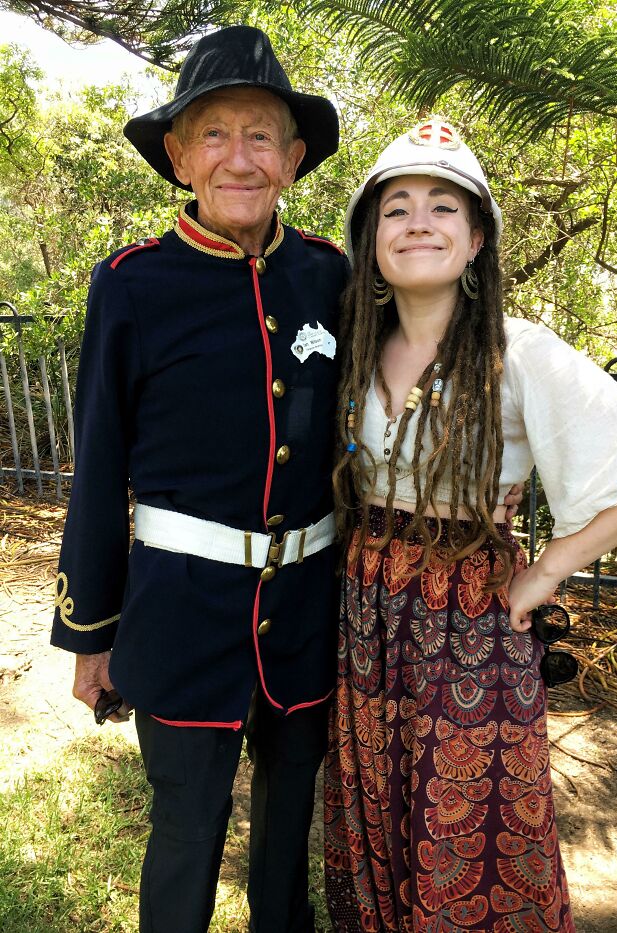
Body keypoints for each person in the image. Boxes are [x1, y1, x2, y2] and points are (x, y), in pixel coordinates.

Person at [323, 119, 617, 932]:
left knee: (470, 821)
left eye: (442, 206)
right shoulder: (361, 345)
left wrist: (550, 567)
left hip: (468, 613)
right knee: (378, 803)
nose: (418, 222)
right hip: (365, 607)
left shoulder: (514, 350)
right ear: (370, 237)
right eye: (395, 208)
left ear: (478, 235)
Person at [50, 25, 348, 933]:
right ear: (178, 158)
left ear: (293, 159)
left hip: (305, 609)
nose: (239, 158)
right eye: (213, 135)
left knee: (288, 822)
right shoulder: (133, 285)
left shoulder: (329, 275)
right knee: (185, 828)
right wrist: (88, 633)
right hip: (180, 613)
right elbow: (99, 463)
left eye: (261, 135)